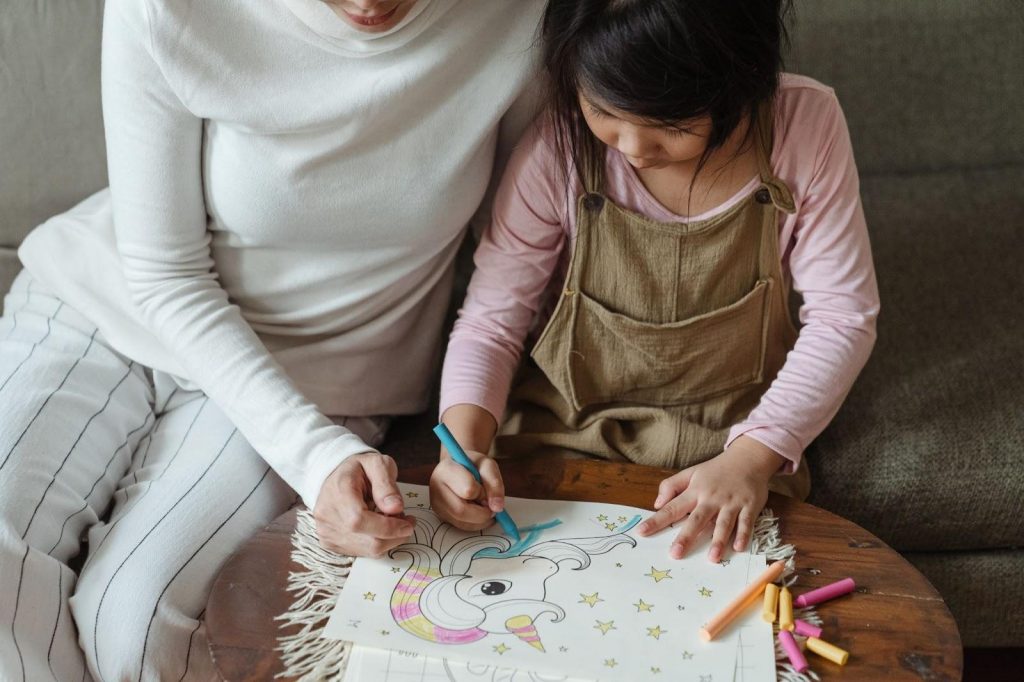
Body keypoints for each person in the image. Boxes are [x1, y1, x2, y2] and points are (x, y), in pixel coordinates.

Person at [0, 0, 546, 679]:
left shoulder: (521, 18)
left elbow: (515, 260)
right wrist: (314, 459)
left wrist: (466, 433)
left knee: (134, 622)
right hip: (106, 303)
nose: (372, 4)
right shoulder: (167, 10)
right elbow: (166, 272)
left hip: (322, 374)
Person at [430, 0, 879, 565]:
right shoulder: (555, 148)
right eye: (603, 111)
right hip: (567, 424)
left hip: (734, 433)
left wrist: (751, 459)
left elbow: (843, 317)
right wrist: (464, 448)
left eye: (672, 126)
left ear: (739, 85)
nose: (634, 150)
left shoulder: (803, 125)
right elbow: (493, 322)